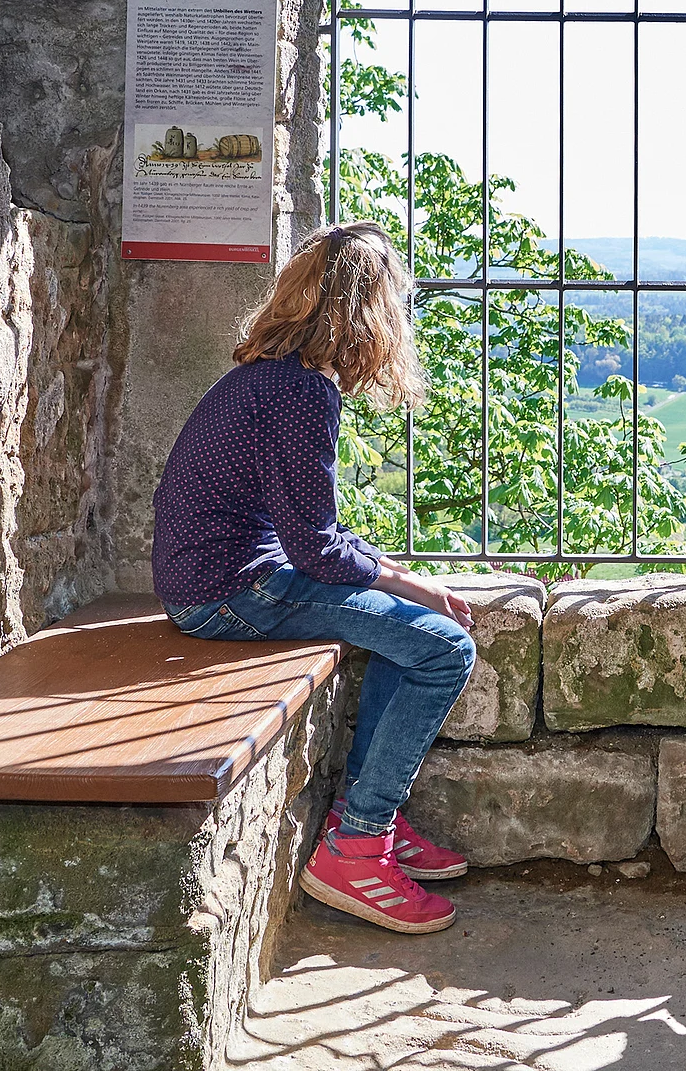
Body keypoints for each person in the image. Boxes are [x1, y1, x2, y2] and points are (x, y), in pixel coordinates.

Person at [151, 221, 479, 935]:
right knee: (446, 648)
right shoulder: (303, 394)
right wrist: (414, 587)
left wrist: (392, 573)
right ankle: (356, 846)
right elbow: (316, 552)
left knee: (418, 638)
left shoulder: (273, 378)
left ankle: (364, 817)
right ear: (369, 312)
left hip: (221, 579)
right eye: (398, 301)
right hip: (230, 594)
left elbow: (314, 533)